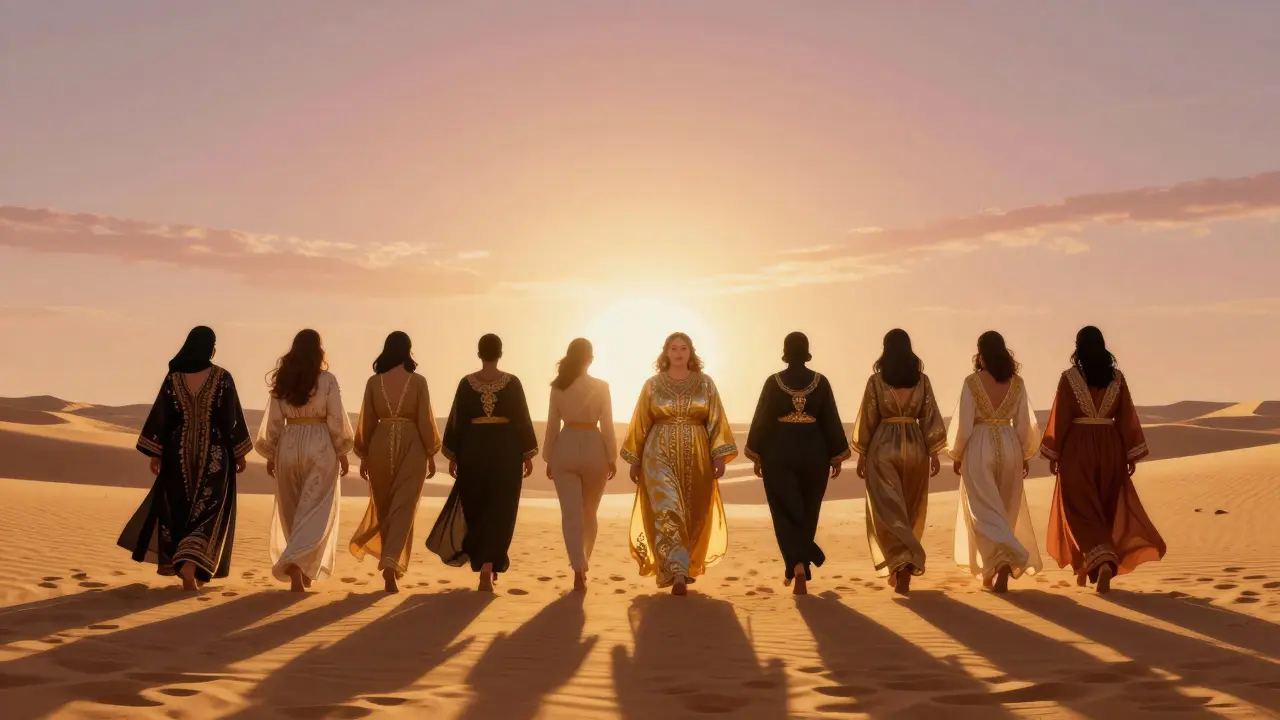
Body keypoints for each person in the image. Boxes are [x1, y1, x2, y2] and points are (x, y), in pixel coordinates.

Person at [117, 326, 252, 591]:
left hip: (177, 449)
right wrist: (239, 452)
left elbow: (162, 418)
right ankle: (192, 565)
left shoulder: (174, 379)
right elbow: (230, 418)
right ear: (210, 347)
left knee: (180, 507)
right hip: (214, 451)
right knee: (208, 510)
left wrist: (156, 452)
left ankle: (192, 569)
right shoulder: (222, 377)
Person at [1040, 325, 1166, 593]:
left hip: (1078, 448)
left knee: (1080, 511)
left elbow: (1060, 417)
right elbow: (1126, 417)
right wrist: (1129, 453)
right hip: (1110, 447)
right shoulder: (1116, 378)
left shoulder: (1069, 378)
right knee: (1104, 506)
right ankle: (1092, 565)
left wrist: (1054, 451)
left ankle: (1104, 561)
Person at [621, 332, 737, 596]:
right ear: (666, 353)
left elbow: (716, 421)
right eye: (673, 348)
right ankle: (677, 572)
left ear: (690, 352)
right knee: (666, 509)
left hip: (698, 454)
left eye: (683, 348)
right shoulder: (652, 385)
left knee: (694, 512)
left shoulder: (705, 384)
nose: (678, 352)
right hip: (657, 452)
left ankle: (683, 567)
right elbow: (640, 422)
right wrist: (635, 459)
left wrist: (719, 455)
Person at [427, 334, 538, 592]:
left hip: (473, 450)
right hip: (505, 451)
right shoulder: (513, 383)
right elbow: (522, 419)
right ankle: (489, 564)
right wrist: (527, 454)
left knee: (475, 505)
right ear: (500, 353)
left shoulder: (467, 384)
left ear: (479, 353)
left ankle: (483, 564)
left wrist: (453, 455)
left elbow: (456, 421)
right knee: (501, 508)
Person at [744, 332, 849, 595]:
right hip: (815, 451)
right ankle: (802, 562)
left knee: (785, 511)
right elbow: (830, 420)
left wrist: (756, 453)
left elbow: (763, 419)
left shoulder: (773, 382)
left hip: (778, 451)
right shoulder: (820, 382)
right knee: (808, 510)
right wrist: (836, 455)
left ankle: (798, 564)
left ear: (786, 351)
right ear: (807, 351)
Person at [254, 329, 354, 592]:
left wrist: (272, 452)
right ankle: (298, 565)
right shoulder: (327, 380)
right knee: (316, 509)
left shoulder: (283, 380)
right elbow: (335, 419)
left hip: (288, 443)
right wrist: (342, 451)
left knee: (292, 508)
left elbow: (274, 420)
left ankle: (302, 568)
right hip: (320, 444)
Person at [851, 328, 946, 595]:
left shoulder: (876, 381)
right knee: (910, 508)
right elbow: (930, 416)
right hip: (916, 447)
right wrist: (934, 451)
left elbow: (868, 419)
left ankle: (900, 563)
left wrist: (862, 453)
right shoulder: (922, 380)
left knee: (888, 512)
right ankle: (905, 564)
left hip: (883, 446)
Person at [946, 331, 1043, 593]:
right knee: (1005, 510)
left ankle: (1007, 557)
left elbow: (964, 424)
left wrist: (957, 453)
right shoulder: (1017, 384)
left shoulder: (972, 382)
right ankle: (995, 568)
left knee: (984, 513)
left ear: (981, 352)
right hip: (1010, 444)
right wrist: (1023, 453)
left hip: (979, 445)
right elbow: (1025, 423)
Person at [349, 331, 441, 594]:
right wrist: (432, 452)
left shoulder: (373, 382)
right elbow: (425, 420)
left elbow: (366, 420)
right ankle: (390, 564)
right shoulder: (418, 382)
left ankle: (388, 561)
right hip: (413, 446)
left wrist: (364, 455)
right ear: (409, 350)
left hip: (379, 444)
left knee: (386, 506)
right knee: (403, 507)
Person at [543, 338, 618, 592]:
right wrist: (612, 456)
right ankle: (583, 563)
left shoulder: (558, 387)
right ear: (591, 359)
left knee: (571, 514)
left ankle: (577, 566)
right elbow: (607, 424)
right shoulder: (601, 386)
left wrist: (548, 457)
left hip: (565, 447)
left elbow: (552, 425)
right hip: (594, 449)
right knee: (588, 513)